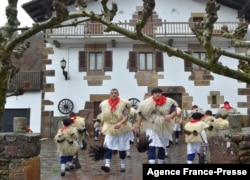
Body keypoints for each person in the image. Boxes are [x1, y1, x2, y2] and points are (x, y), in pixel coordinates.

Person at [134, 87, 178, 164]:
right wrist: (138, 126)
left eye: (159, 93)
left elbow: (174, 111)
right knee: (152, 144)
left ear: (161, 93)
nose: (158, 94)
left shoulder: (169, 102)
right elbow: (140, 114)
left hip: (164, 126)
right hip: (151, 125)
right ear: (153, 94)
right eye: (156, 93)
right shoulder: (146, 103)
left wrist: (170, 116)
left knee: (162, 145)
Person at [99, 88, 133, 173]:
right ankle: (107, 165)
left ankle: (122, 164)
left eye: (115, 93)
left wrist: (120, 123)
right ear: (110, 94)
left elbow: (126, 116)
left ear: (118, 94)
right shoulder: (105, 104)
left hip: (121, 128)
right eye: (112, 93)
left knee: (122, 147)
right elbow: (103, 117)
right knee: (108, 145)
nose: (114, 94)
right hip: (110, 127)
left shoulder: (123, 104)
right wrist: (101, 128)